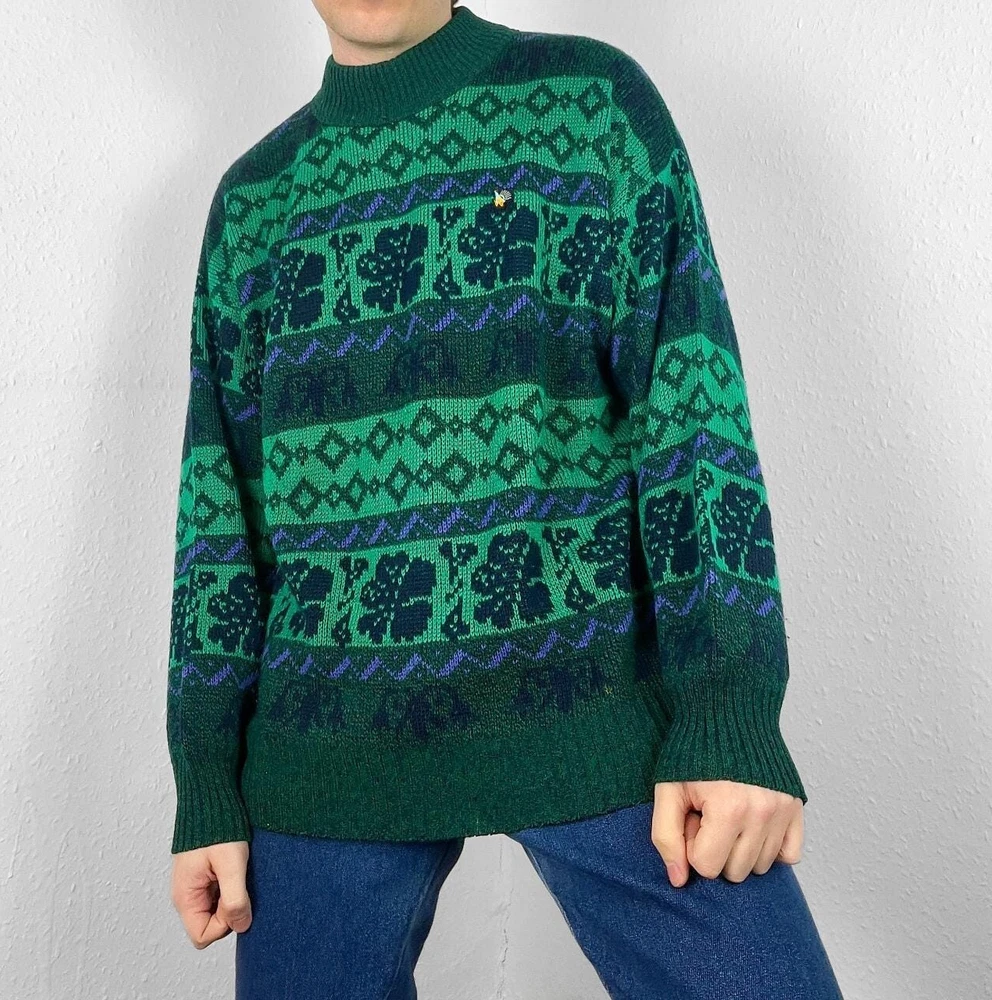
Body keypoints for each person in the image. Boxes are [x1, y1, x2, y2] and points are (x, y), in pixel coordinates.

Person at [165, 2, 845, 996]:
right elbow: (219, 513)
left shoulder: (589, 103)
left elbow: (691, 416)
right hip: (322, 754)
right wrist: (206, 784)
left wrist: (729, 712)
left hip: (600, 713)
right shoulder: (256, 201)